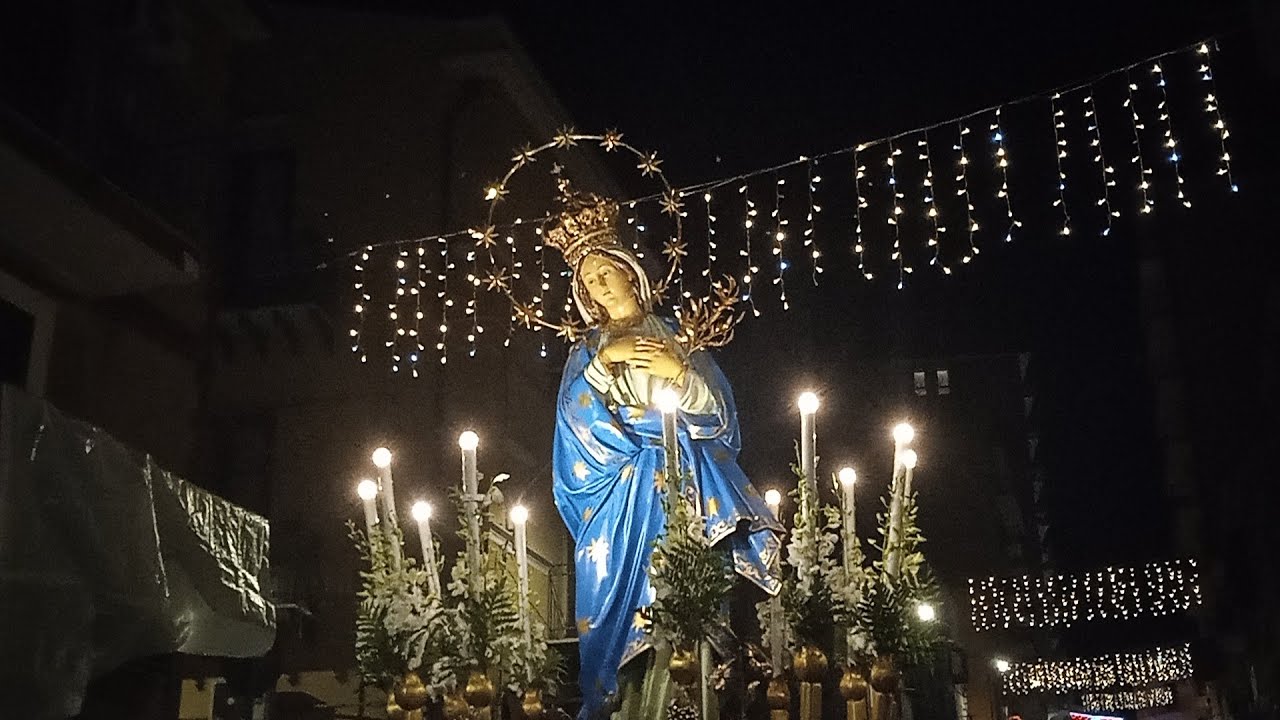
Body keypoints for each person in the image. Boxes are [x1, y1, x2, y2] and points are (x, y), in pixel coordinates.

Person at [547, 188, 781, 718]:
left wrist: (679, 374)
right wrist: (606, 361)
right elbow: (574, 427)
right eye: (588, 280)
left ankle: (694, 697)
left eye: (605, 271)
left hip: (687, 483)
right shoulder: (587, 351)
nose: (598, 285)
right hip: (621, 498)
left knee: (694, 599)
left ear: (630, 272)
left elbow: (720, 416)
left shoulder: (676, 335)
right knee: (626, 609)